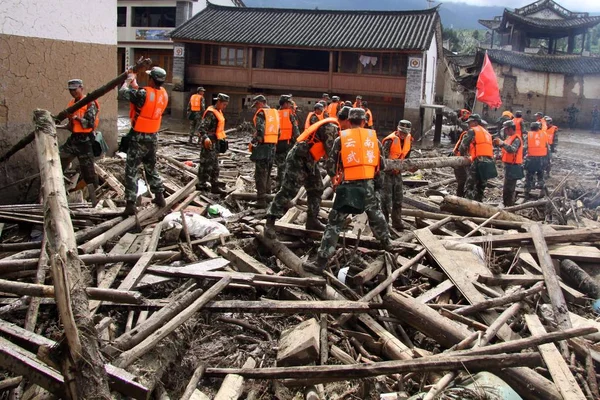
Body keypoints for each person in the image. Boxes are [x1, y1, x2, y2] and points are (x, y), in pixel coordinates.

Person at [305, 108, 392, 275]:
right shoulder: (374, 140)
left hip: (348, 187)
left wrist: (335, 179)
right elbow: (381, 166)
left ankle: (321, 262)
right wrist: (377, 186)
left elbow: (331, 165)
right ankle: (388, 245)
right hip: (368, 186)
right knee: (376, 216)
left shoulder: (341, 139)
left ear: (349, 121)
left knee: (334, 223)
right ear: (364, 121)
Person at [266, 107, 348, 236]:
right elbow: (330, 155)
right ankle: (270, 221)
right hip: (298, 158)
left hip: (310, 160)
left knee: (316, 188)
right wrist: (334, 180)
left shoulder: (335, 127)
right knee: (289, 190)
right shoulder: (331, 127)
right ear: (347, 120)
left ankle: (312, 220)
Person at [119, 66, 168, 216]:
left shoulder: (142, 93)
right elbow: (146, 98)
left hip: (139, 136)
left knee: (132, 170)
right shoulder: (164, 94)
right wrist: (135, 84)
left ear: (151, 79)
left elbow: (123, 93)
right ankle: (159, 196)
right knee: (151, 167)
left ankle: (130, 204)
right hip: (153, 136)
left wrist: (127, 80)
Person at [60, 79, 100, 206]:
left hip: (86, 140)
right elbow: (71, 125)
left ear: (81, 88)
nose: (72, 92)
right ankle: (58, 193)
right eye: (70, 90)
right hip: (74, 139)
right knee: (59, 160)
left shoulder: (89, 103)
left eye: (75, 89)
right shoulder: (71, 103)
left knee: (88, 171)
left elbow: (90, 123)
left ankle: (95, 200)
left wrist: (77, 118)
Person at [381, 120, 412, 230]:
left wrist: (409, 167)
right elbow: (382, 159)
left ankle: (397, 222)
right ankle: (384, 223)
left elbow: (407, 157)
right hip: (387, 174)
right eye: (401, 132)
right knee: (385, 200)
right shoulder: (389, 141)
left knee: (398, 199)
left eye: (405, 133)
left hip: (397, 172)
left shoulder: (409, 140)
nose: (403, 135)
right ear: (397, 130)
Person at [196, 93, 230, 194]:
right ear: (218, 102)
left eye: (226, 105)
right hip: (209, 143)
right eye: (224, 104)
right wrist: (205, 138)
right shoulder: (210, 113)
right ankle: (201, 185)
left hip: (216, 143)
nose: (224, 107)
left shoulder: (218, 112)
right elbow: (201, 128)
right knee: (205, 165)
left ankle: (214, 185)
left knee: (215, 166)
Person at [250, 95, 279, 208]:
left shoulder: (261, 114)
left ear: (261, 103)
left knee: (260, 174)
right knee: (268, 172)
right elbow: (278, 131)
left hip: (263, 147)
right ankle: (268, 195)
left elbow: (260, 131)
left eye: (256, 105)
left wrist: (255, 142)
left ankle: (261, 199)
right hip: (273, 146)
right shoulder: (274, 113)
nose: (256, 107)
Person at [459, 114, 497, 202]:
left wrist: (462, 155)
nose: (468, 125)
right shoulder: (487, 133)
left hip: (478, 161)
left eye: (470, 122)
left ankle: (468, 205)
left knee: (470, 185)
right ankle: (479, 204)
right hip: (489, 162)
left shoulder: (472, 131)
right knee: (481, 185)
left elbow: (463, 145)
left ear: (475, 122)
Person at [494, 120, 524, 207]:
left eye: (506, 129)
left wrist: (502, 143)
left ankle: (509, 205)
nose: (505, 131)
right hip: (508, 165)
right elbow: (506, 151)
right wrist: (499, 156)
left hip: (514, 166)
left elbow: (512, 150)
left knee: (510, 188)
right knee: (506, 186)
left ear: (510, 129)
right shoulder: (509, 138)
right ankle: (506, 203)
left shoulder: (516, 139)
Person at [275, 94, 300, 191]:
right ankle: (285, 187)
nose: (290, 105)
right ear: (285, 104)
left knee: (280, 166)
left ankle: (279, 185)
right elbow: (295, 130)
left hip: (276, 144)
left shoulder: (275, 113)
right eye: (289, 103)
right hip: (287, 144)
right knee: (288, 165)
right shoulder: (290, 114)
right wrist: (299, 142)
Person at [523, 121, 549, 199]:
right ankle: (542, 193)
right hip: (542, 159)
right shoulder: (544, 134)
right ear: (539, 128)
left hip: (531, 159)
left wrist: (522, 157)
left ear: (531, 128)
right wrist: (548, 160)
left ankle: (527, 193)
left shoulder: (528, 135)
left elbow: (525, 147)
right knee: (541, 176)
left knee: (529, 176)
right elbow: (547, 148)